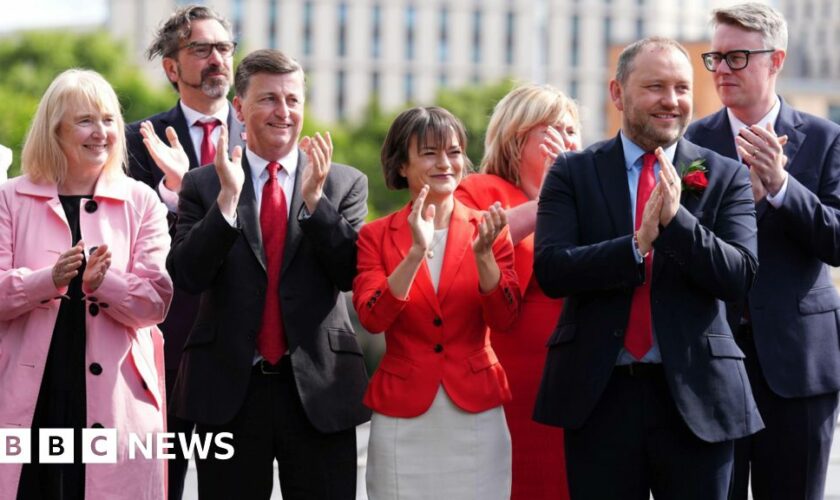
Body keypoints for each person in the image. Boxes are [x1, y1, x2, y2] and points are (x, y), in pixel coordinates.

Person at [532, 37, 763, 499]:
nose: (671, 101)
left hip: (700, 396)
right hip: (600, 396)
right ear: (617, 94)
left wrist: (676, 222)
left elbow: (738, 275)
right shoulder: (572, 173)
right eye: (655, 87)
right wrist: (636, 245)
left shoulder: (725, 174)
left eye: (681, 87)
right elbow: (552, 270)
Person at [167, 48, 370, 499]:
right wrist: (225, 203)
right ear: (238, 108)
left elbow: (351, 272)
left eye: (293, 100)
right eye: (268, 99)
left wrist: (317, 205)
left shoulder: (343, 182)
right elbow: (188, 275)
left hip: (320, 390)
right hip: (229, 393)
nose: (283, 112)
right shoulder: (203, 183)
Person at [685, 4, 840, 499]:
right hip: (715, 360)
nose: (722, 71)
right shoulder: (694, 142)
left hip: (800, 365)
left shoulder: (825, 139)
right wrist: (739, 204)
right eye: (716, 58)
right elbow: (681, 244)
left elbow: (836, 241)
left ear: (776, 60)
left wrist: (781, 187)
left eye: (737, 58)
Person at [0, 69, 172, 499]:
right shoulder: (9, 197)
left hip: (116, 400)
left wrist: (105, 284)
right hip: (30, 394)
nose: (102, 133)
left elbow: (156, 302)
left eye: (109, 120)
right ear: (54, 129)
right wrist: (49, 279)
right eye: (85, 121)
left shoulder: (141, 199)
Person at [353, 106, 521, 499]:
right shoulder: (375, 236)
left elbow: (506, 317)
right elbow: (372, 318)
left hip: (476, 411)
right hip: (403, 415)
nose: (445, 163)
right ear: (401, 166)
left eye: (454, 151)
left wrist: (483, 258)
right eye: (429, 153)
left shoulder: (490, 229)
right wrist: (415, 252)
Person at [124, 7, 244, 495]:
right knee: (158, 483)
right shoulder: (133, 142)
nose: (216, 59)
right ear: (172, 68)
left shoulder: (264, 137)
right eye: (201, 49)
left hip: (241, 349)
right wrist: (179, 196)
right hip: (163, 347)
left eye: (224, 48)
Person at [454, 83, 579, 500]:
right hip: (507, 376)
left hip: (578, 372)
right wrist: (550, 199)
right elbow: (468, 248)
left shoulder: (589, 196)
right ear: (515, 136)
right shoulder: (481, 190)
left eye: (572, 131)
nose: (567, 141)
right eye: (553, 130)